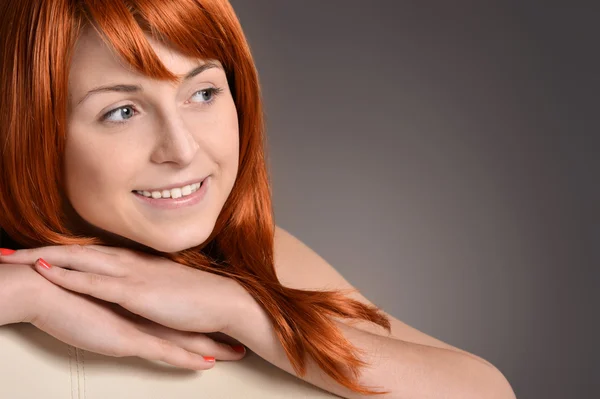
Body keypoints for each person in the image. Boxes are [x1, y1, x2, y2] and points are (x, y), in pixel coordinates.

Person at [0, 0, 516, 398]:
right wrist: (28, 294)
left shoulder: (257, 255)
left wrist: (241, 309)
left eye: (202, 94)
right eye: (122, 112)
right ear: (32, 133)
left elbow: (484, 391)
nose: (182, 149)